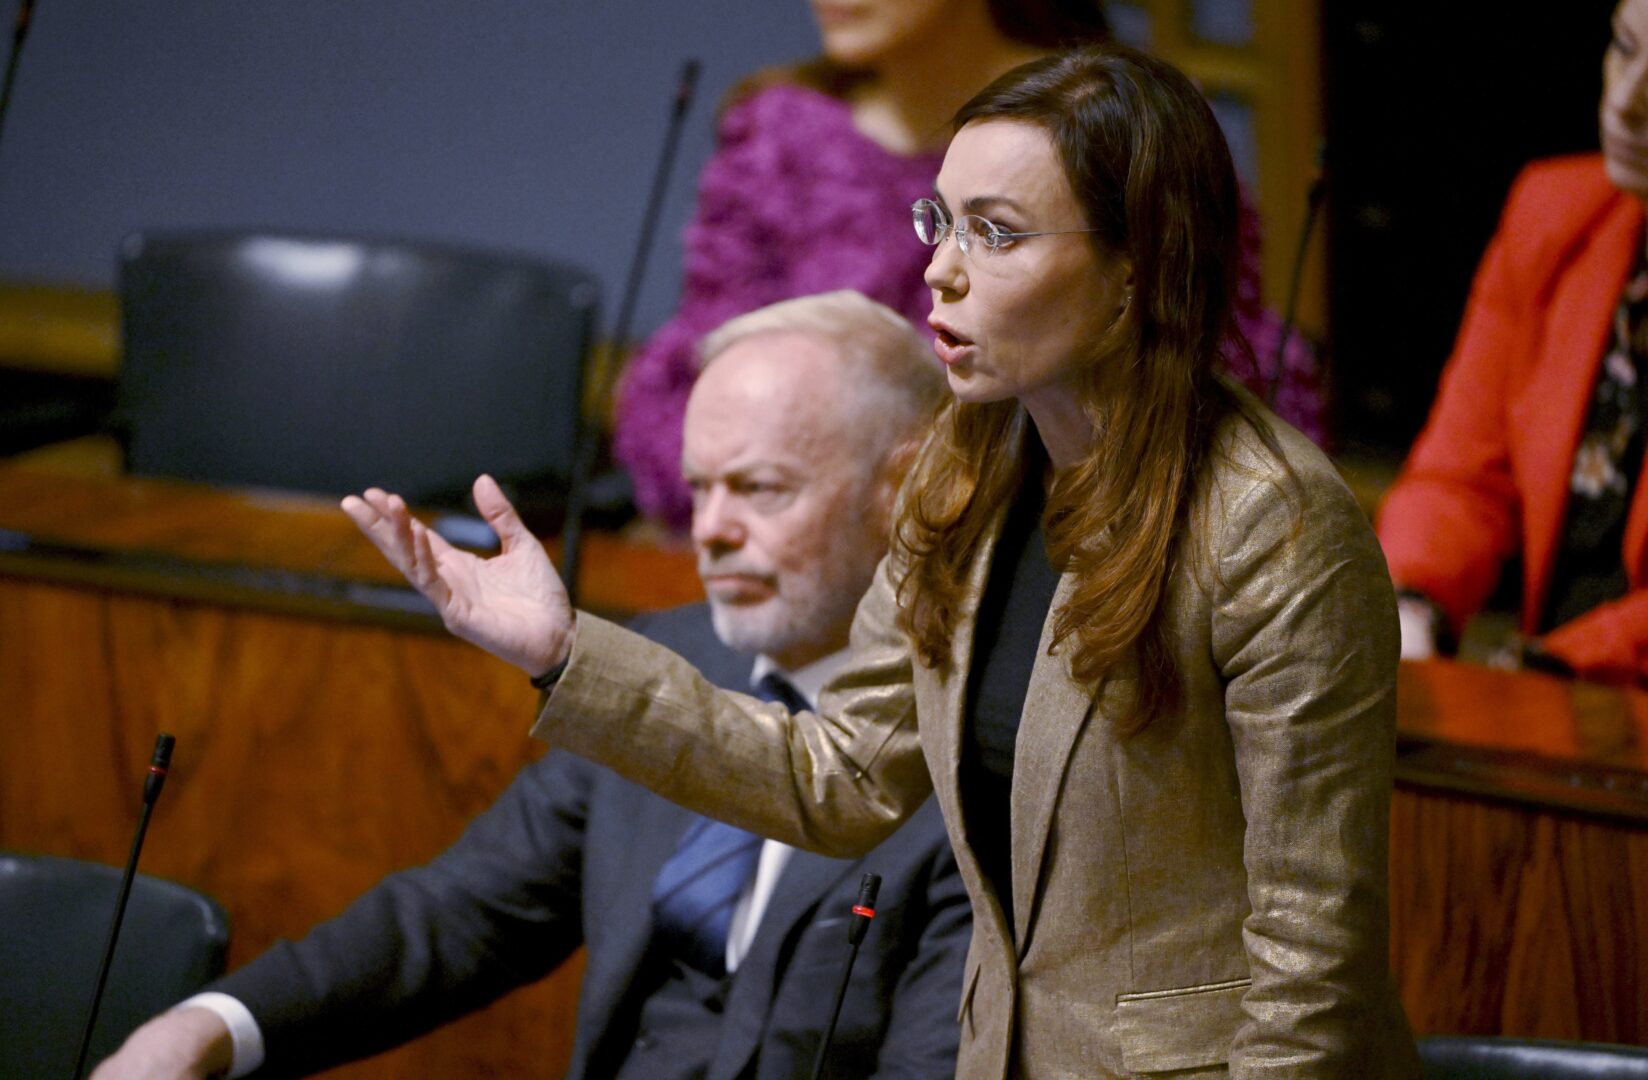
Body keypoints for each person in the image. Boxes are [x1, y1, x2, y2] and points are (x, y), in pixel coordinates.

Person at [345, 45, 1416, 1078]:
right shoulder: (968, 472)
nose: (939, 270)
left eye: (995, 234)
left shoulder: (1275, 528)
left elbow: (1312, 962)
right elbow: (841, 777)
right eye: (940, 221)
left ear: (1135, 271)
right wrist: (563, 651)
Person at [92, 291, 966, 1080]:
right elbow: (462, 913)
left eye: (759, 489)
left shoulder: (974, 755)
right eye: (699, 489)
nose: (711, 530)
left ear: (905, 488)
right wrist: (208, 1026)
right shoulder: (663, 663)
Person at [613, 0, 1324, 532]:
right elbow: (693, 393)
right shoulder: (778, 135)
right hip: (826, 562)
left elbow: (1222, 372)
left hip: (1091, 540)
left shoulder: (1128, 125)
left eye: (996, 231)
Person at [1377, 0, 1648, 686]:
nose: (1626, 101)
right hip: (1548, 693)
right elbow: (1463, 474)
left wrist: (1556, 667)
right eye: (1624, 48)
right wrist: (1412, 608)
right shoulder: (1554, 213)